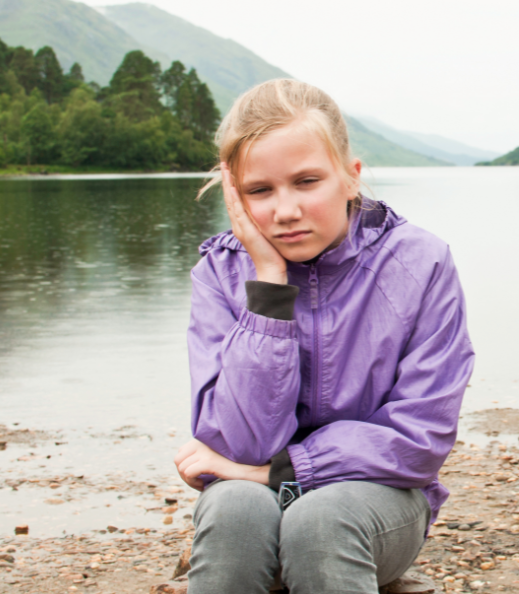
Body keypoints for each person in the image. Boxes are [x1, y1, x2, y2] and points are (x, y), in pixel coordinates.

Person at [173, 79, 474, 594]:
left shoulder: (421, 263)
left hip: (377, 503)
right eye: (259, 191)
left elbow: (418, 441)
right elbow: (238, 442)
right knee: (233, 512)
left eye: (307, 181)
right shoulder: (219, 274)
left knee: (320, 522)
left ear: (350, 178)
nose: (284, 210)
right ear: (235, 196)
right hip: (251, 495)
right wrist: (268, 284)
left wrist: (275, 474)